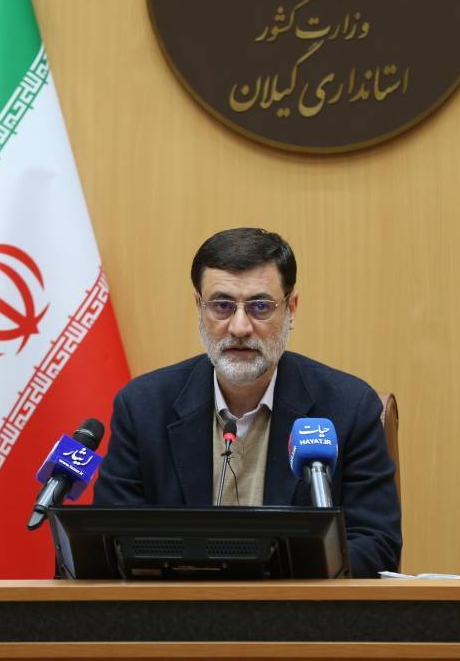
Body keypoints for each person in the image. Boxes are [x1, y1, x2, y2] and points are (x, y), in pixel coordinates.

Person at [93, 227, 401, 576]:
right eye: (222, 306)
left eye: (260, 307)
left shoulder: (348, 408)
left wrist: (273, 578)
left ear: (291, 310)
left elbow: (377, 544)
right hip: (177, 607)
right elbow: (110, 543)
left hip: (297, 607)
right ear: (199, 307)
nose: (239, 327)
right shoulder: (144, 407)